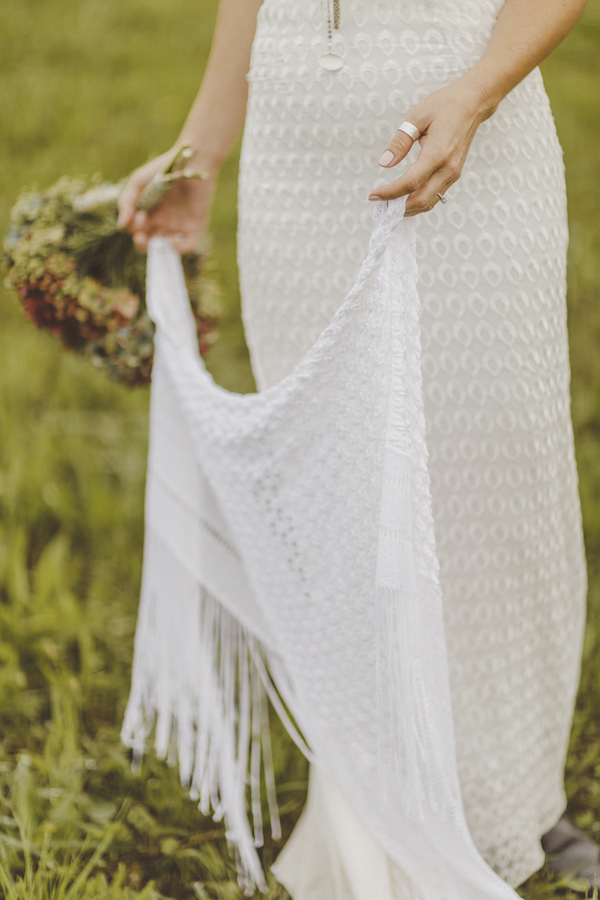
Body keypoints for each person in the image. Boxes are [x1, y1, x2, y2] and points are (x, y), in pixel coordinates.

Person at [118, 0, 597, 895]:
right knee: (337, 492)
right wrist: (202, 150)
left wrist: (480, 90)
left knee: (494, 481)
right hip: (298, 149)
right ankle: (371, 794)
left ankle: (515, 799)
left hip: (467, 111)